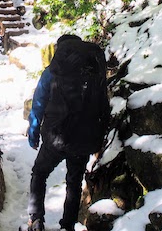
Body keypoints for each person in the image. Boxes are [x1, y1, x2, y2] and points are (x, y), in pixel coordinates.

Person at [25, 34, 111, 231]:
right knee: (73, 182)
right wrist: (100, 136)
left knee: (39, 173)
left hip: (56, 136)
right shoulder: (94, 70)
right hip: (84, 138)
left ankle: (36, 220)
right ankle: (68, 226)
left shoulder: (53, 71)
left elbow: (38, 103)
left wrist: (33, 132)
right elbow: (104, 106)